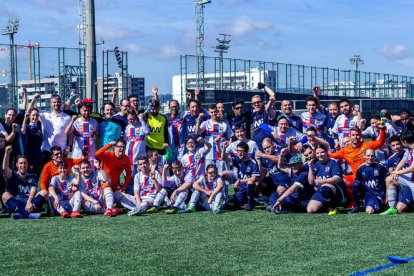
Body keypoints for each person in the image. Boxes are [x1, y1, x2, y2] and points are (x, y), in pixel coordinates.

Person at [329, 126, 386, 204]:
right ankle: (352, 202)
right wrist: (319, 154)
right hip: (357, 178)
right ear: (350, 136)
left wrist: (382, 129)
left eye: (357, 135)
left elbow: (380, 142)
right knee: (342, 180)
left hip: (371, 178)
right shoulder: (345, 150)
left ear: (361, 136)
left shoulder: (367, 145)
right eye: (353, 135)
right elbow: (332, 155)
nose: (355, 137)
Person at [2, 145, 46, 219]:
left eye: (25, 163)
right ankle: (28, 215)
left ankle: (21, 214)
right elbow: (4, 169)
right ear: (17, 165)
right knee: (5, 195)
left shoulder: (32, 175)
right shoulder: (12, 174)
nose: (23, 165)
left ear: (28, 164)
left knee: (44, 192)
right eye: (21, 163)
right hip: (16, 204)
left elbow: (34, 190)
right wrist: (7, 153)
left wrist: (29, 202)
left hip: (30, 204)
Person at [272, 146, 315, 214]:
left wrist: (279, 200)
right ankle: (276, 207)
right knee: (273, 195)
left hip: (302, 201)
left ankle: (282, 208)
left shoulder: (304, 174)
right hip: (294, 198)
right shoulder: (293, 171)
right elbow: (280, 166)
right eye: (291, 165)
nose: (293, 166)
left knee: (286, 197)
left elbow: (292, 189)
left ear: (300, 164)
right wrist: (282, 155)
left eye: (295, 164)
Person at [307, 144, 347, 215]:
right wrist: (310, 167)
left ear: (326, 152)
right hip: (322, 191)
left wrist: (322, 181)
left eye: (322, 152)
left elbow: (337, 178)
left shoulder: (333, 162)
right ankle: (326, 205)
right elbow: (311, 182)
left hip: (336, 190)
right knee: (310, 209)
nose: (320, 155)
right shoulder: (316, 165)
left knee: (325, 186)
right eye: (318, 153)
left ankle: (332, 208)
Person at [382, 130, 414, 215]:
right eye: (393, 145)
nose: (396, 147)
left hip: (412, 179)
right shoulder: (408, 150)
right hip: (410, 179)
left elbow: (412, 168)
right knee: (389, 179)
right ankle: (392, 208)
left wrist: (398, 172)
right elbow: (403, 161)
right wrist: (395, 172)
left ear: (404, 142)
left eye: (398, 143)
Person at [222, 141, 260, 211]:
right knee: (229, 206)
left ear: (246, 151)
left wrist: (239, 180)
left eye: (241, 151)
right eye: (238, 151)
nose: (239, 153)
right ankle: (244, 201)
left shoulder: (253, 162)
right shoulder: (237, 160)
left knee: (250, 182)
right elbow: (223, 158)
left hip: (251, 188)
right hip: (241, 190)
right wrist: (224, 147)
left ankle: (250, 203)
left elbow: (254, 178)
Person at [349, 148, 387, 214]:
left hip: (379, 194)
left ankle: (380, 204)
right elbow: (358, 183)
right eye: (368, 155)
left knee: (370, 211)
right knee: (355, 185)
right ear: (364, 156)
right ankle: (357, 205)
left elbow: (387, 181)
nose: (370, 158)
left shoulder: (380, 167)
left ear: (375, 157)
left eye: (372, 156)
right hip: (368, 194)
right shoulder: (361, 168)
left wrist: (387, 196)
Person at [196, 104, 232, 172]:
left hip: (221, 154)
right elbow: (197, 132)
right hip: (209, 155)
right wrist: (198, 119)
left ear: (217, 111)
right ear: (209, 113)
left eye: (215, 111)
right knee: (209, 175)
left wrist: (228, 151)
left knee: (222, 175)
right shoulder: (206, 123)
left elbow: (230, 137)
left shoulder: (225, 123)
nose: (213, 114)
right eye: (211, 112)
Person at [36, 94, 72, 162]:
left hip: (61, 152)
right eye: (54, 102)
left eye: (58, 102)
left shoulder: (67, 117)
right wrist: (35, 99)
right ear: (51, 103)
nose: (56, 104)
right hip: (47, 151)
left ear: (61, 103)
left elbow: (70, 134)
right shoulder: (45, 115)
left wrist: (69, 146)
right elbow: (33, 110)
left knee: (61, 172)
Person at [124, 110, 150, 193]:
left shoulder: (142, 126)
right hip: (129, 159)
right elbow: (125, 141)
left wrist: (142, 120)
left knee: (140, 179)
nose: (131, 121)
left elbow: (148, 132)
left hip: (140, 159)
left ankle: (141, 195)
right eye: (129, 119)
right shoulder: (127, 128)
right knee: (130, 179)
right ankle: (131, 196)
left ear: (136, 118)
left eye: (133, 119)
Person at [250, 83, 277, 150]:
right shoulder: (252, 115)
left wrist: (264, 86)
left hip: (267, 146)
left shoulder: (266, 111)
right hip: (256, 146)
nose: (257, 104)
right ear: (252, 105)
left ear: (262, 102)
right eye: (254, 103)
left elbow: (273, 95)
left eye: (258, 102)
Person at [21, 104, 43, 176]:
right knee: (30, 177)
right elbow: (23, 131)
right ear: (30, 116)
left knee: (37, 177)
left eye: (36, 115)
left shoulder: (39, 125)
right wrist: (25, 119)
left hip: (38, 155)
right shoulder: (27, 127)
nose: (35, 117)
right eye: (33, 115)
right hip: (29, 156)